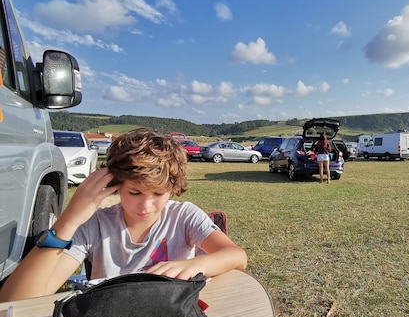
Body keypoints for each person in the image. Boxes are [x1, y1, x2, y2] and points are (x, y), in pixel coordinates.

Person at [0, 128, 247, 302]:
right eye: (135, 192)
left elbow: (237, 257)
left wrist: (195, 264)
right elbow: (15, 300)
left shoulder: (183, 216)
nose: (146, 206)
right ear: (116, 184)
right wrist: (70, 218)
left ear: (173, 188)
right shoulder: (94, 225)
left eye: (158, 193)